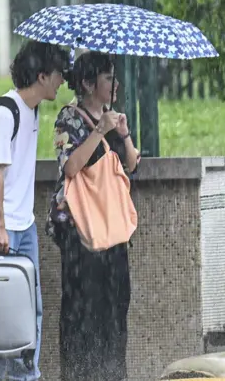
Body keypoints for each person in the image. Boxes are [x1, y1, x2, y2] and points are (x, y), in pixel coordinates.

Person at [0, 40, 70, 381]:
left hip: (23, 227)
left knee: (28, 311)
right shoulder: (3, 112)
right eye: (58, 75)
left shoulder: (32, 110)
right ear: (41, 75)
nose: (62, 81)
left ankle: (26, 376)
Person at [48, 51, 140, 381]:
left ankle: (113, 374)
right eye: (107, 78)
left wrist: (124, 133)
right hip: (80, 230)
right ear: (88, 83)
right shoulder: (68, 119)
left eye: (114, 77)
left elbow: (131, 164)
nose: (115, 85)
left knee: (115, 307)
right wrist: (99, 131)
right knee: (81, 309)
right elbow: (71, 166)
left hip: (112, 229)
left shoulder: (112, 117)